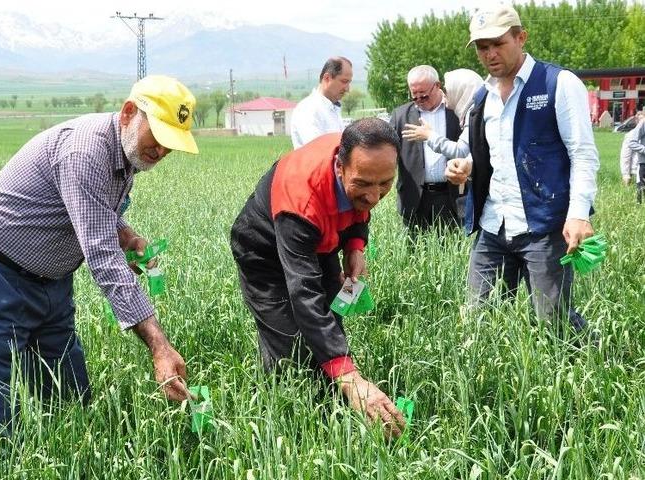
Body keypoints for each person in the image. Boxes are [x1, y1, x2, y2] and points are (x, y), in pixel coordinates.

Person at [0, 75, 197, 438]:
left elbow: (92, 209)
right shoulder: (85, 151)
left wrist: (125, 234)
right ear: (129, 113)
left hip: (51, 284)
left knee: (71, 406)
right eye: (157, 136)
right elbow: (102, 257)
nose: (161, 151)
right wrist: (159, 347)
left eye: (170, 145)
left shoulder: (124, 155)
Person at [230, 118, 406, 438]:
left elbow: (360, 209)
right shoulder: (302, 201)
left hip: (318, 240)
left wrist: (355, 246)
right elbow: (305, 295)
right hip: (263, 251)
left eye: (386, 183)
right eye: (364, 184)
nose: (374, 195)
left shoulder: (362, 158)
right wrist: (350, 378)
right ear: (340, 167)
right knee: (290, 345)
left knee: (331, 318)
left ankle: (333, 405)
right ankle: (287, 428)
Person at [445, 6, 600, 342]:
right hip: (493, 225)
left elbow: (583, 153)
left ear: (521, 37)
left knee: (554, 323)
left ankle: (599, 357)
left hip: (544, 227)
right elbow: (491, 155)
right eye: (482, 47)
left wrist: (578, 214)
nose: (490, 54)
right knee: (478, 319)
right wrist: (466, 166)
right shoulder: (483, 96)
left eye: (498, 43)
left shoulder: (558, 83)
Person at [390, 65, 464, 230]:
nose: (419, 100)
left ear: (437, 85)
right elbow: (388, 153)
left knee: (451, 245)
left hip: (451, 198)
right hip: (415, 200)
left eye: (423, 95)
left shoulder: (457, 111)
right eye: (414, 95)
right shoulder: (400, 116)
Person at [290, 57, 353, 148]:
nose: (347, 89)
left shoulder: (332, 108)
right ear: (327, 78)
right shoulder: (307, 109)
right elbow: (318, 150)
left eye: (349, 82)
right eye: (344, 81)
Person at [621, 112, 645, 192]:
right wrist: (626, 174)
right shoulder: (631, 135)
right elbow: (625, 156)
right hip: (636, 170)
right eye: (640, 120)